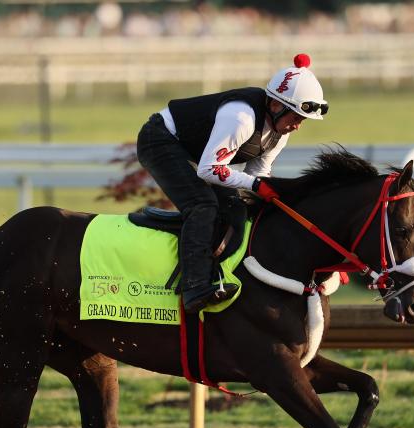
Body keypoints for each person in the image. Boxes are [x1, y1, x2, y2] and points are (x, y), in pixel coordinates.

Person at [136, 53, 329, 313]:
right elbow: (209, 170)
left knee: (237, 207)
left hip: (192, 152)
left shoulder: (280, 131)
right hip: (159, 140)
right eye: (295, 117)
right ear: (275, 105)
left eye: (301, 120)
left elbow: (259, 173)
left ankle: (225, 275)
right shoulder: (241, 118)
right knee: (203, 204)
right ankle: (194, 288)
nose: (297, 126)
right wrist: (256, 186)